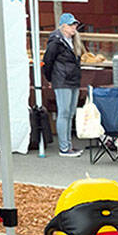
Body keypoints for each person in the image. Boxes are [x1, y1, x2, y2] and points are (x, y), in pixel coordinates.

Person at [42, 13, 83, 157]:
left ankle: (68, 145)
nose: (74, 27)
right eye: (72, 25)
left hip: (72, 80)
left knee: (70, 113)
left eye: (75, 25)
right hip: (62, 80)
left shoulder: (72, 41)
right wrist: (50, 79)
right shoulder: (56, 41)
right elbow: (48, 61)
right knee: (64, 113)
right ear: (63, 26)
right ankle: (64, 147)